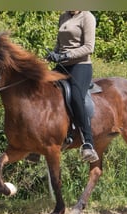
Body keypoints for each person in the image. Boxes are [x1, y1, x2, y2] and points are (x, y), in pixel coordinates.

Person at [47, 11, 99, 163]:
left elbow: (89, 47)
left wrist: (66, 55)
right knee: (41, 89)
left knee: (76, 96)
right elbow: (59, 44)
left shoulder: (87, 17)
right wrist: (54, 54)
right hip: (62, 65)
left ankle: (88, 142)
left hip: (80, 66)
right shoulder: (63, 17)